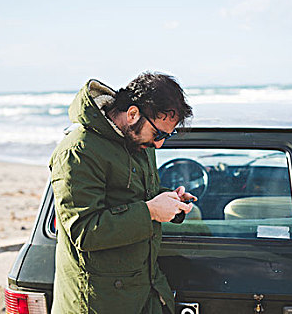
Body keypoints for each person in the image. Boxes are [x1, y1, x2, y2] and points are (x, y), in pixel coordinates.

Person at [49, 72, 194, 314]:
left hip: (143, 292)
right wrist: (151, 211)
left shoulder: (138, 139)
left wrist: (170, 201)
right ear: (133, 114)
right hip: (97, 303)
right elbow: (84, 231)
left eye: (167, 137)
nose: (159, 144)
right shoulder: (78, 151)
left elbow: (133, 196)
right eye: (158, 134)